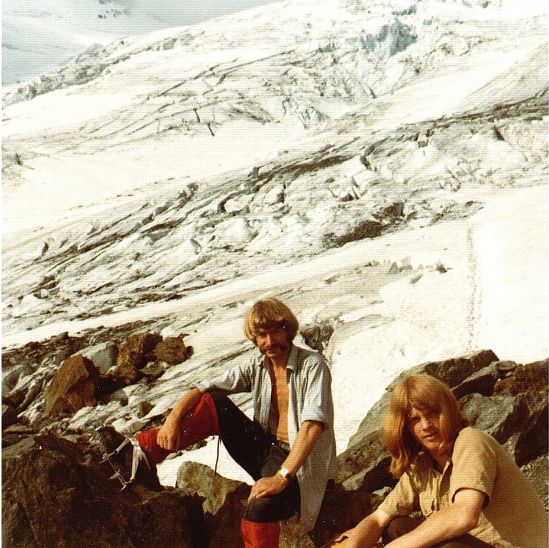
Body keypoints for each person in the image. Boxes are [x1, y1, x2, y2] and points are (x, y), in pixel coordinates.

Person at [105, 297, 336, 548]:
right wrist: (172, 420)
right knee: (215, 402)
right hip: (267, 451)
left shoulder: (313, 366)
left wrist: (280, 477)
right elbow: (206, 386)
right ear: (254, 339)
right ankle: (145, 452)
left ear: (288, 330)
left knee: (258, 511)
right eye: (262, 336)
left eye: (275, 332)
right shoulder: (259, 365)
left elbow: (312, 425)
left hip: (299, 465)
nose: (269, 342)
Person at [332, 374, 548, 548]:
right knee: (397, 526)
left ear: (448, 411)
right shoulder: (421, 466)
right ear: (405, 428)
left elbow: (464, 515)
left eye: (432, 414)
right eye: (415, 420)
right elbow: (377, 519)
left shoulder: (471, 440)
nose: (426, 425)